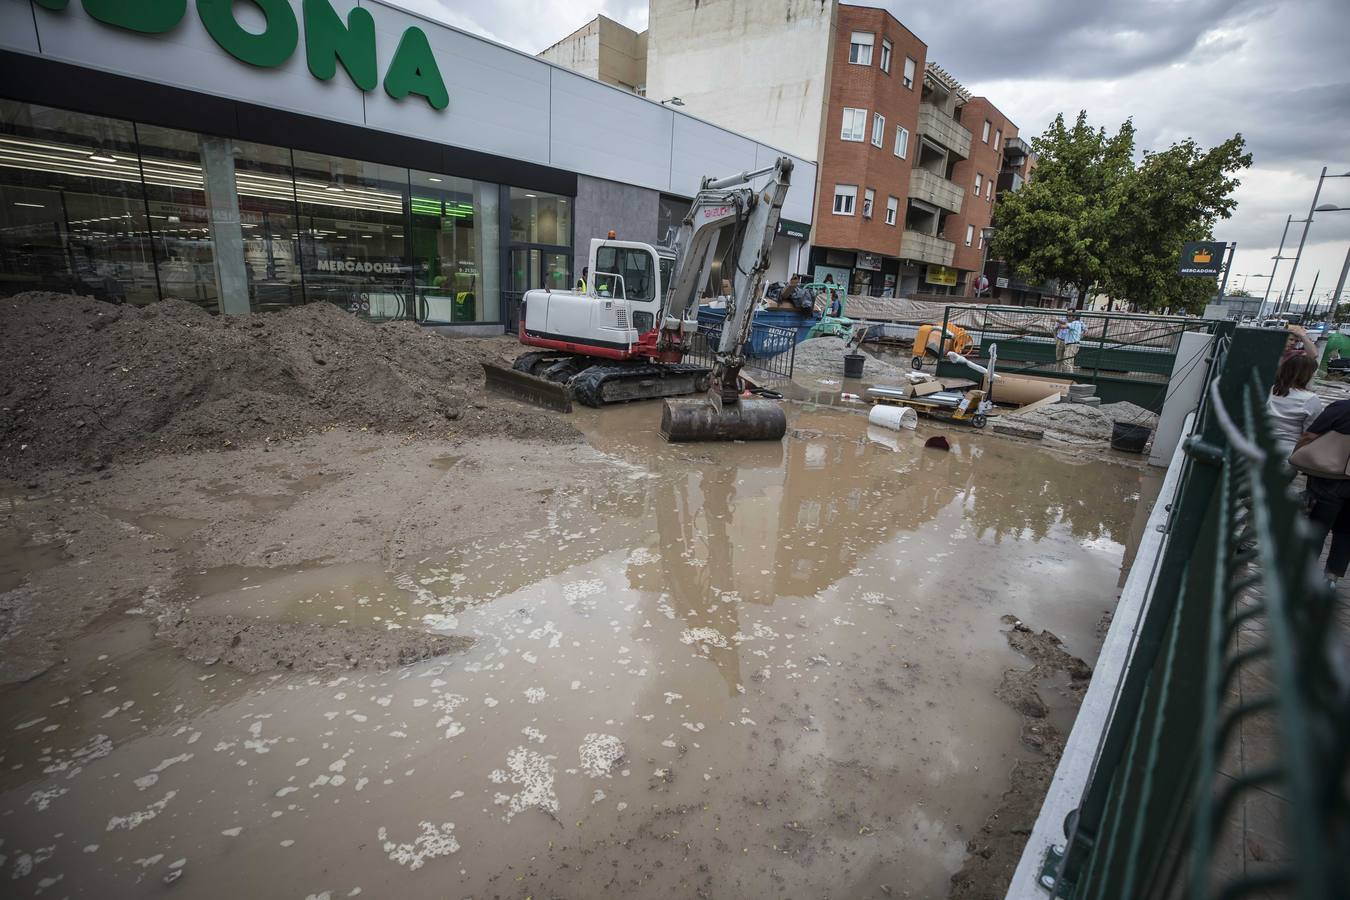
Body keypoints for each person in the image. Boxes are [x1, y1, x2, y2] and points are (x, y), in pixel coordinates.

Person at [1299, 398, 1350, 587]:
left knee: (1317, 528)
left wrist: (1299, 456)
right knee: (1346, 532)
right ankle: (1331, 578)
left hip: (1330, 478)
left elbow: (1310, 435)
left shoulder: (1342, 408)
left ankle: (1304, 573)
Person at [1266, 354, 1322, 461]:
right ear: (1307, 376)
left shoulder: (1272, 390)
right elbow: (1309, 432)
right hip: (1288, 451)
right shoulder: (1310, 399)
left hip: (1261, 444)